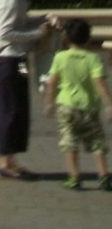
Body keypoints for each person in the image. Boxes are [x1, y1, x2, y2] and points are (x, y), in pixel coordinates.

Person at [0, 0, 54, 180]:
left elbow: (20, 24)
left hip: (16, 58)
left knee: (18, 110)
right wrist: (38, 34)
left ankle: (10, 159)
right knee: (10, 110)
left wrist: (44, 19)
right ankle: (5, 161)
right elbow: (5, 32)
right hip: (6, 59)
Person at [43, 18, 112, 191]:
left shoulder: (60, 57)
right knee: (97, 141)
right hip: (89, 107)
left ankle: (74, 177)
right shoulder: (93, 59)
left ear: (66, 38)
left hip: (66, 106)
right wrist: (109, 104)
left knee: (69, 141)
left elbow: (52, 82)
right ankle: (104, 175)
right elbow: (99, 83)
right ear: (88, 39)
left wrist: (49, 103)